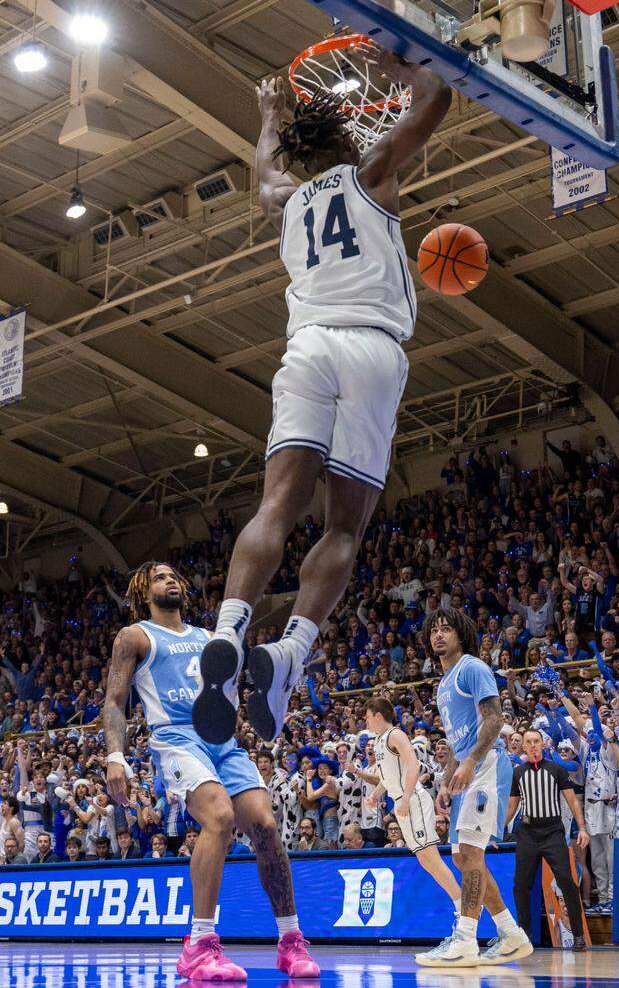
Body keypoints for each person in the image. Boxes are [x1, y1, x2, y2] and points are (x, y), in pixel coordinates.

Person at [193, 47, 452, 746]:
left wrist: (271, 114)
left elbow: (263, 175)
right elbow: (436, 98)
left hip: (305, 346)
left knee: (277, 503)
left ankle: (229, 631)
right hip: (368, 347)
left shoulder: (288, 205)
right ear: (347, 141)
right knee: (343, 525)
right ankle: (294, 649)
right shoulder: (370, 176)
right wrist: (398, 59)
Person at [103, 562, 319, 981]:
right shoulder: (135, 636)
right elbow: (115, 700)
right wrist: (116, 756)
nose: (170, 581)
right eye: (160, 576)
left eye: (174, 576)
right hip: (176, 739)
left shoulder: (209, 639)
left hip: (222, 740)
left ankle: (290, 941)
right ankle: (199, 945)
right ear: (144, 590)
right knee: (218, 817)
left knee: (265, 825)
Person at [416, 607, 530, 967]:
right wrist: (448, 777)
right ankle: (510, 935)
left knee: (470, 851)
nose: (439, 635)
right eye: (434, 630)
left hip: (488, 765)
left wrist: (468, 763)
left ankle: (465, 939)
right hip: (468, 770)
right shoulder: (443, 684)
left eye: (446, 629)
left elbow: (495, 719)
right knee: (464, 856)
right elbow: (455, 739)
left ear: (461, 634)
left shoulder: (473, 667)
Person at [363, 697, 461, 924]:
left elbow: (413, 765)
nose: (366, 721)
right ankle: (460, 905)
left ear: (378, 716)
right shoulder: (378, 741)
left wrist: (406, 798)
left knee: (431, 858)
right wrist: (375, 795)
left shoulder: (395, 735)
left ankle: (463, 908)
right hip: (401, 801)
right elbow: (387, 777)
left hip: (413, 799)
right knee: (425, 860)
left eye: (368, 717)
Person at [507, 730, 589, 949]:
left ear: (543, 744)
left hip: (553, 831)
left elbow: (573, 802)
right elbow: (512, 806)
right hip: (527, 832)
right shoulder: (518, 773)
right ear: (523, 746)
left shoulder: (557, 769)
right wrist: (495, 831)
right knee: (520, 885)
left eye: (536, 741)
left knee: (567, 882)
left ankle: (578, 935)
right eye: (529, 742)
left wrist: (582, 828)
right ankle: (524, 936)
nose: (533, 745)